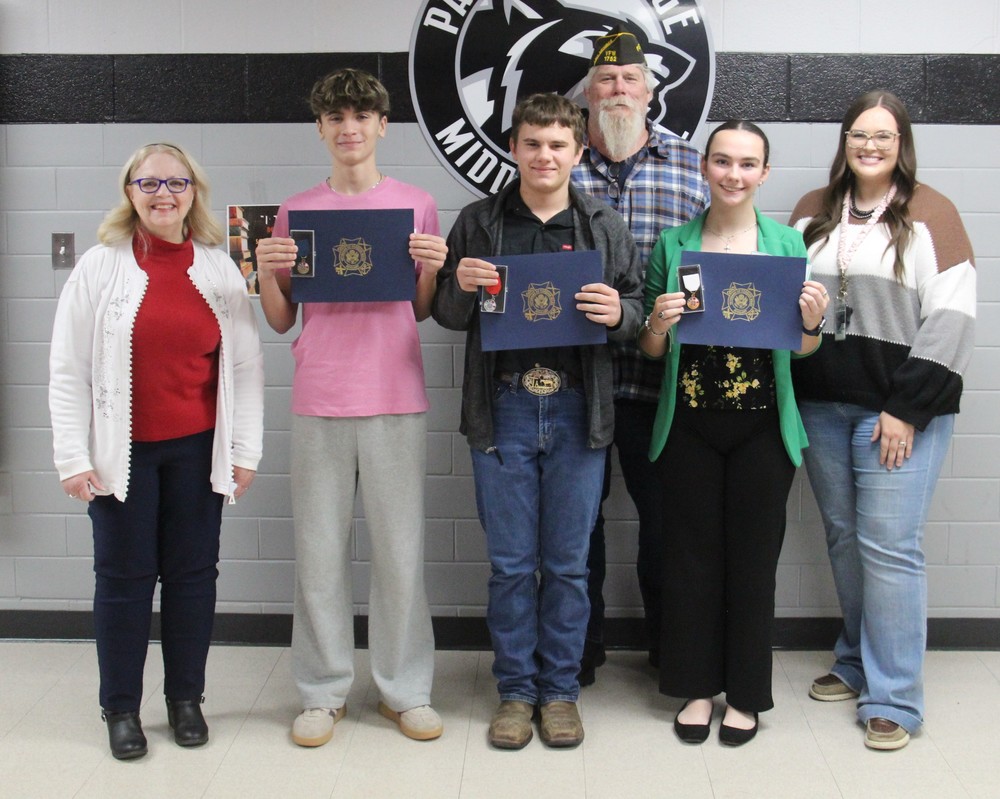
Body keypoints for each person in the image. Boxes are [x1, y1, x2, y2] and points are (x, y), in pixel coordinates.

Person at [433, 92, 643, 750]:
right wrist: (459, 285)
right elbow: (444, 313)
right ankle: (516, 690)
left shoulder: (604, 225)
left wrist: (619, 313)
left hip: (581, 409)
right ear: (514, 148)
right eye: (532, 143)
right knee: (512, 566)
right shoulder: (477, 222)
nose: (544, 155)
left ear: (578, 153)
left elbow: (637, 313)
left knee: (571, 565)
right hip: (505, 407)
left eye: (557, 145)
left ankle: (560, 691)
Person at [49, 142, 265, 760]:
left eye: (176, 183)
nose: (163, 194)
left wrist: (243, 451)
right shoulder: (99, 266)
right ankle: (120, 708)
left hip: (199, 452)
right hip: (123, 457)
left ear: (194, 192)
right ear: (130, 193)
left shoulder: (220, 269)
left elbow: (245, 368)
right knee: (123, 581)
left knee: (194, 579)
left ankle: (185, 701)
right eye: (149, 183)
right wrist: (73, 456)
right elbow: (67, 370)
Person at [253, 68, 447, 747]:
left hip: (395, 394)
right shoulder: (296, 210)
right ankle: (321, 689)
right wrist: (260, 268)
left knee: (400, 553)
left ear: (382, 125)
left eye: (361, 115)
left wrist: (432, 265)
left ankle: (405, 687)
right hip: (321, 396)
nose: (349, 127)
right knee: (319, 553)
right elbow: (281, 318)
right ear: (321, 128)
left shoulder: (416, 204)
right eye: (336, 117)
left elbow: (421, 307)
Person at [790, 90, 976, 751]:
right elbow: (790, 306)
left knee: (891, 546)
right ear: (844, 141)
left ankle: (894, 695)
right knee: (845, 537)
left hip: (895, 410)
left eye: (883, 136)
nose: (869, 146)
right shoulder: (811, 212)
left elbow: (952, 319)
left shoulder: (933, 214)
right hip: (820, 403)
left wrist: (906, 408)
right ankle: (854, 657)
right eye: (858, 135)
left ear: (902, 143)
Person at [638, 121, 828, 746]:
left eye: (748, 164)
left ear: (764, 174)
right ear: (705, 168)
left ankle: (746, 694)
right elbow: (650, 349)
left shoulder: (785, 246)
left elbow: (800, 352)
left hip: (762, 429)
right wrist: (660, 323)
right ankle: (696, 688)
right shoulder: (674, 245)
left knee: (752, 563)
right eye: (722, 161)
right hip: (689, 424)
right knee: (690, 562)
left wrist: (812, 323)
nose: (733, 174)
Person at [572, 24, 709, 684]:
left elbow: (716, 259)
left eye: (630, 80)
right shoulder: (560, 165)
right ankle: (581, 650)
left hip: (664, 385)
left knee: (666, 530)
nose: (618, 89)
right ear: (588, 95)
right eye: (606, 80)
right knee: (579, 530)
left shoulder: (691, 167)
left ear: (651, 93)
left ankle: (670, 651)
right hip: (580, 384)